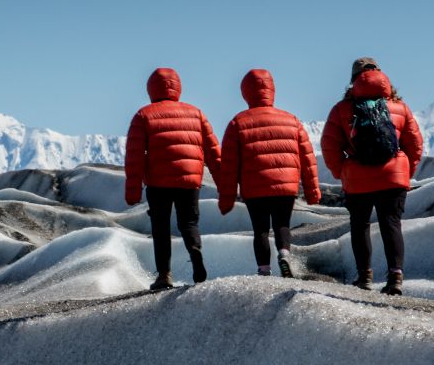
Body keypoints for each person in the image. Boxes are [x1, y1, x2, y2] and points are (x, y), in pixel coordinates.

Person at [320, 57, 424, 296]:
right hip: (393, 176)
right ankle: (395, 275)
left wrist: (342, 172)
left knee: (360, 226)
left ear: (353, 80)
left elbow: (329, 146)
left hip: (357, 178)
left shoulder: (342, 109)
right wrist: (405, 171)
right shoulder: (399, 106)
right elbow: (415, 144)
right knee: (391, 225)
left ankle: (365, 276)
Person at [216, 68, 323, 277]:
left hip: (255, 188)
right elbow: (307, 159)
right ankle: (284, 254)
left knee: (261, 230)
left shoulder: (238, 122)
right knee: (283, 224)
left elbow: (229, 165)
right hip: (286, 185)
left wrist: (226, 199)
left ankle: (264, 270)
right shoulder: (291, 119)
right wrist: (312, 191)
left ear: (245, 92)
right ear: (271, 90)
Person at [124, 67, 222, 290]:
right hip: (189, 180)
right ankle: (195, 251)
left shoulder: (144, 115)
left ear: (151, 88)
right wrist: (223, 183)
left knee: (160, 227)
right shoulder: (196, 113)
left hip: (158, 183)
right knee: (189, 222)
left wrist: (133, 190)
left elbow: (134, 156)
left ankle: (164, 275)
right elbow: (214, 152)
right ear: (178, 88)